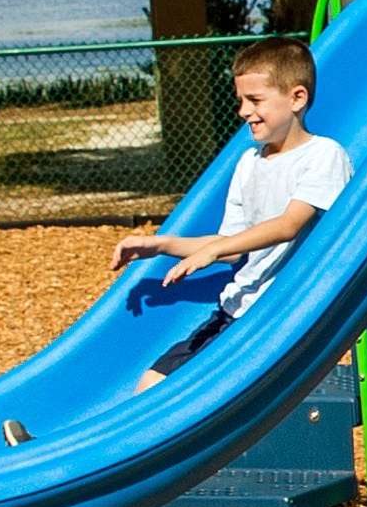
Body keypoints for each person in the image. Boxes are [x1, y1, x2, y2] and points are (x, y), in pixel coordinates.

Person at [112, 40, 344, 387]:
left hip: (278, 315)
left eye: (255, 101)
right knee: (153, 379)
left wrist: (214, 250)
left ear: (297, 98)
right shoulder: (249, 163)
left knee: (170, 390)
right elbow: (232, 245)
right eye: (240, 101)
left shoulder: (324, 155)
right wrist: (160, 245)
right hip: (236, 311)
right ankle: (72, 443)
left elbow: (289, 225)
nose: (243, 112)